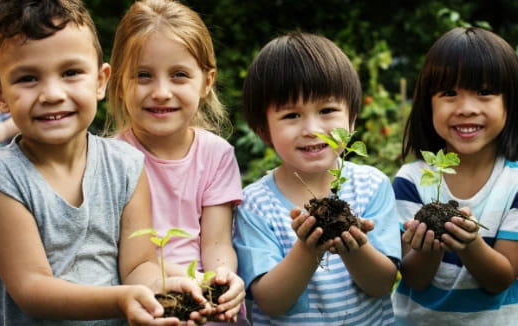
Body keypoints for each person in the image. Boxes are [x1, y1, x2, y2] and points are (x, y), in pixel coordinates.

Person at [0, 0, 208, 325]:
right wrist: (122, 299)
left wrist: (162, 287)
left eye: (70, 73)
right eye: (28, 78)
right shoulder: (5, 177)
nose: (52, 93)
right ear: (0, 93)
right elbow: (31, 288)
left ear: (100, 80)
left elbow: (139, 265)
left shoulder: (126, 165)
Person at [232, 32, 401, 325]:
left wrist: (356, 247)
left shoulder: (372, 186)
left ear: (352, 118)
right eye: (291, 116)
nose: (312, 128)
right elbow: (271, 302)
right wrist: (307, 249)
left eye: (327, 110)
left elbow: (382, 284)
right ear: (263, 130)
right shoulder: (254, 205)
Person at [107, 0, 248, 324]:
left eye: (179, 75)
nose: (161, 92)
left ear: (206, 81)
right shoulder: (111, 159)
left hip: (205, 304)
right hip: (147, 304)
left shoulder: (216, 154)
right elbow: (130, 263)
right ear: (119, 81)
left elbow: (217, 243)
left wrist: (222, 279)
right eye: (143, 75)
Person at [392, 27, 518, 325]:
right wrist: (429, 247)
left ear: (510, 103)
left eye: (484, 92)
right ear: (428, 104)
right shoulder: (411, 180)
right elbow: (415, 278)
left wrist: (470, 244)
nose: (466, 109)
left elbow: (501, 278)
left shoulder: (514, 184)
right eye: (449, 93)